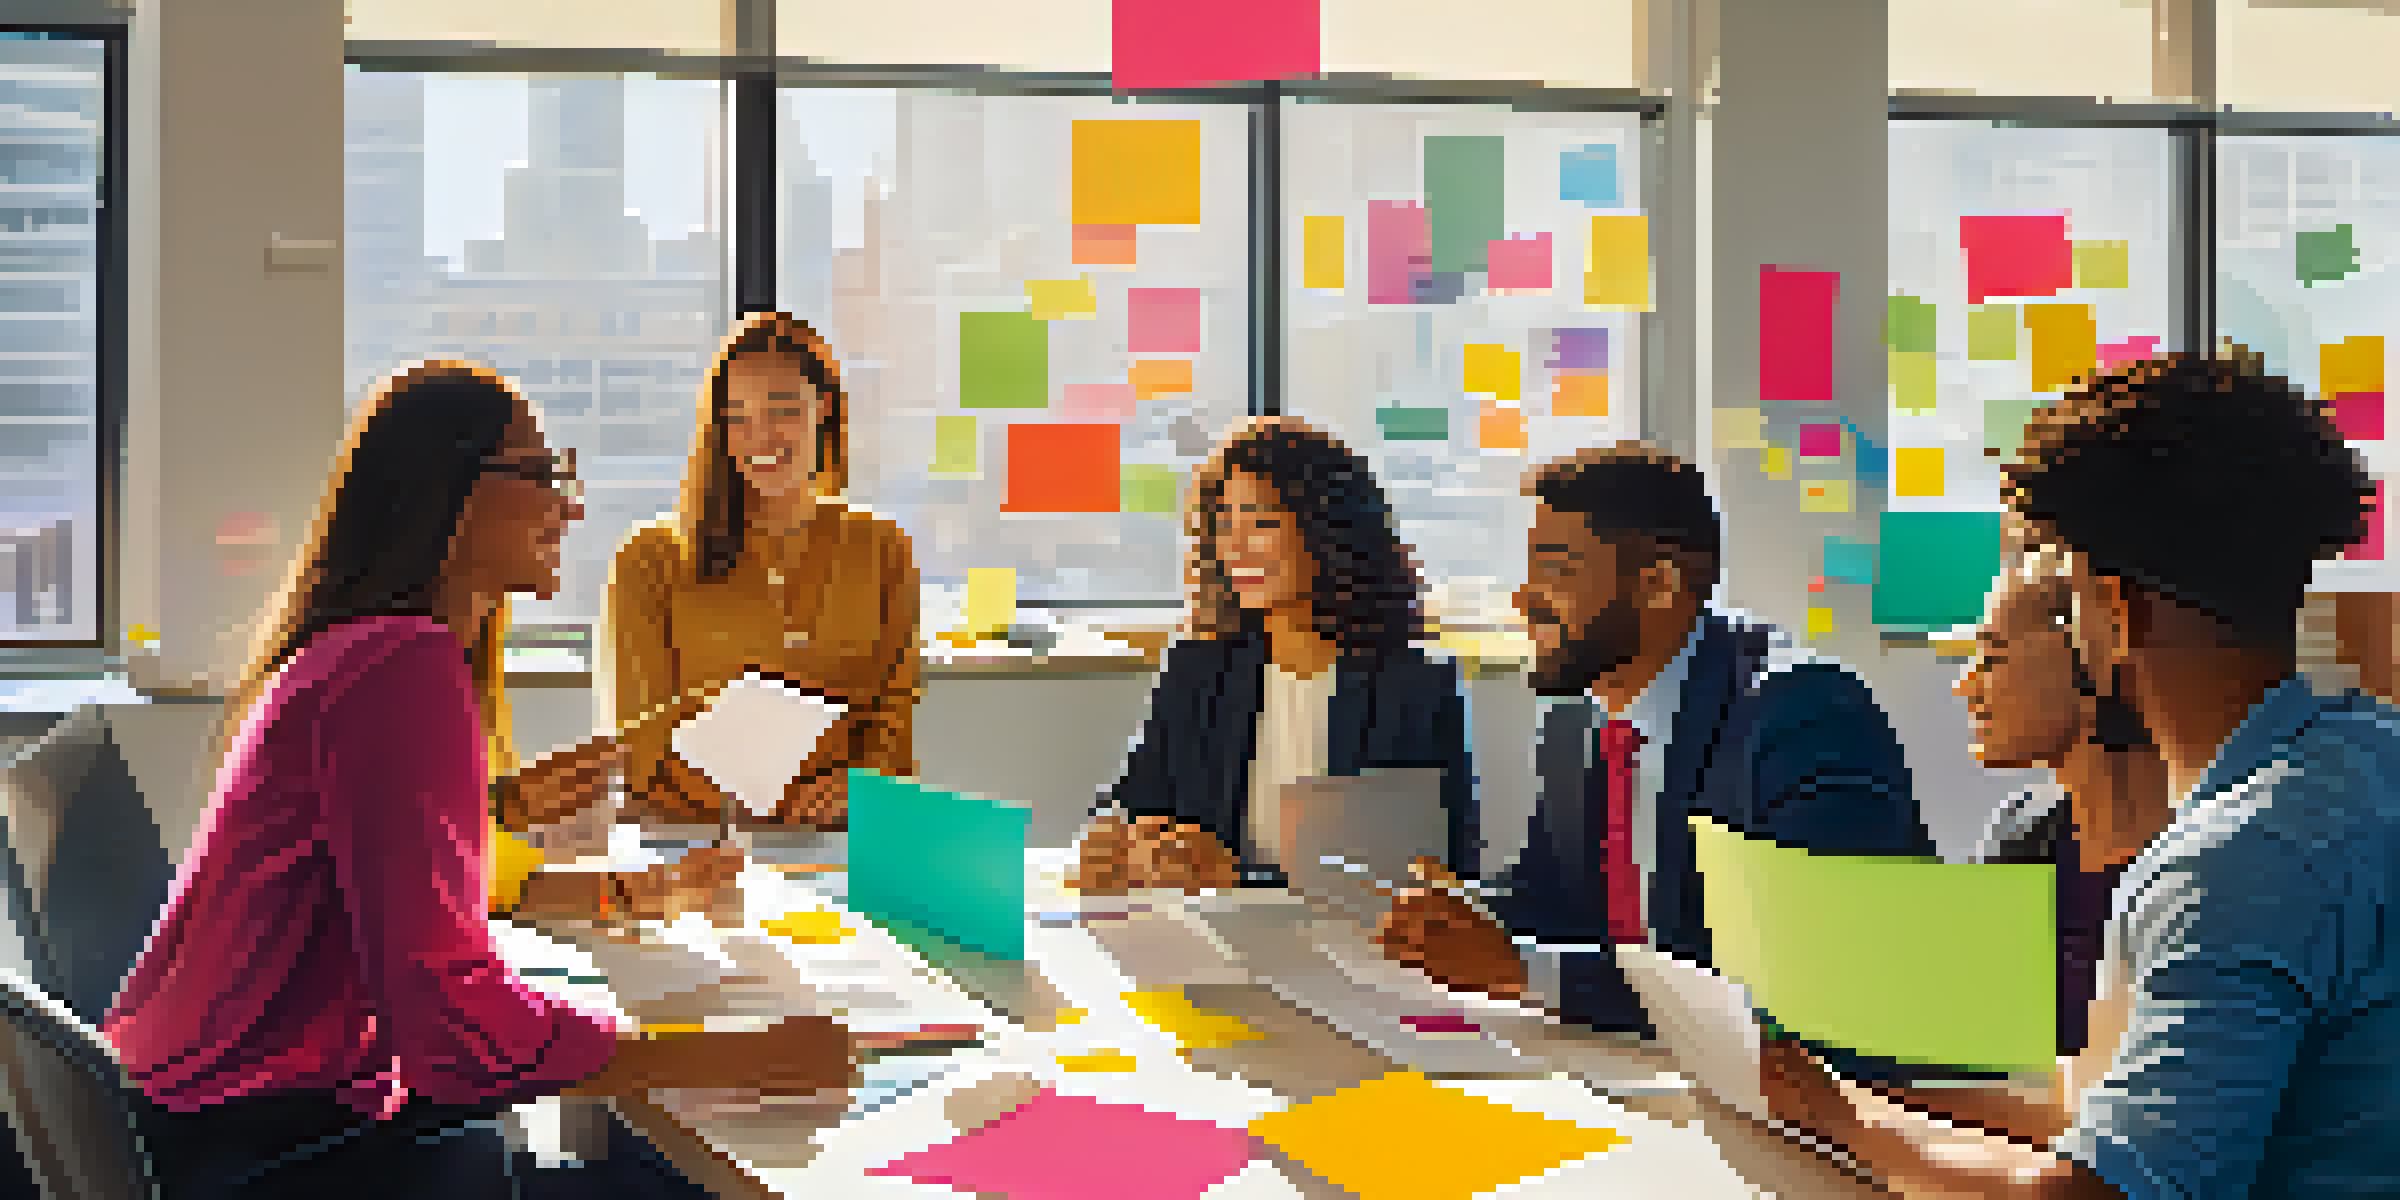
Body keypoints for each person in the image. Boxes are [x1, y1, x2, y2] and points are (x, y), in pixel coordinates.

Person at [102, 362, 855, 1200]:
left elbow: (396, 894)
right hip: (261, 1149)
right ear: (447, 492)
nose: (569, 509)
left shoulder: (360, 651)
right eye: (542, 474)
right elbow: (450, 1030)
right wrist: (746, 1056)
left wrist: (548, 849)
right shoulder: (399, 666)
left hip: (206, 1119)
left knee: (621, 1150)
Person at [1761, 353, 2400, 1198]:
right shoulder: (2364, 754)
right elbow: (2120, 1093)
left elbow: (2097, 1192)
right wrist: (1850, 1097)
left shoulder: (2236, 862)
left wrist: (1849, 1128)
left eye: (2065, 590)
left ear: (2117, 607)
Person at [1374, 442, 1936, 1040]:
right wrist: (1464, 918)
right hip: (1646, 1067)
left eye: (1557, 569)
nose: (1523, 598)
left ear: (1660, 585)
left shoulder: (1802, 715)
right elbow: (1551, 902)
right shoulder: (1578, 719)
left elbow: (1809, 985)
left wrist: (1523, 970)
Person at [1070, 417, 1475, 892]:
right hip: (1209, 940)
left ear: (1329, 531)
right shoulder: (1199, 667)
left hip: (1351, 951)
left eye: (1261, 523)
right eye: (1224, 526)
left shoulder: (1413, 686)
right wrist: (1115, 837)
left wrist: (1238, 879)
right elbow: (1133, 798)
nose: (1236, 548)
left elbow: (1423, 876)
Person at [607, 312, 920, 830]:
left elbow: (893, 722)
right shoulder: (650, 559)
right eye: (737, 416)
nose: (762, 436)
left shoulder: (882, 549)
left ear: (824, 409)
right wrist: (764, 805)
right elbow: (641, 745)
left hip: (839, 838)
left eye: (784, 410)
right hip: (696, 840)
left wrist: (856, 790)